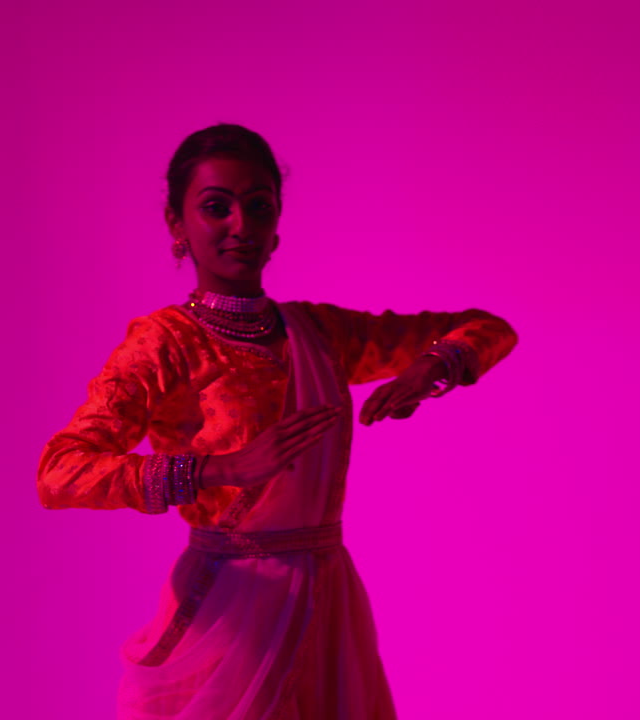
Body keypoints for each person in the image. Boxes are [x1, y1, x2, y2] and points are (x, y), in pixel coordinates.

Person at [37, 123, 518, 719]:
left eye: (258, 207)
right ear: (176, 224)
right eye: (216, 207)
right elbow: (61, 474)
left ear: (277, 225)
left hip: (326, 594)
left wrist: (432, 364)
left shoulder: (320, 334)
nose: (240, 226)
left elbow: (489, 326)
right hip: (229, 609)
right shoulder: (165, 343)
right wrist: (218, 469)